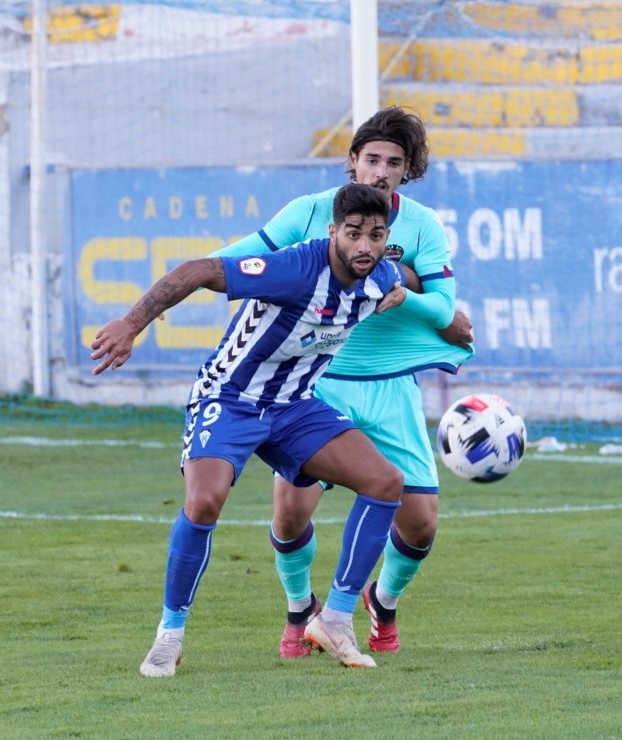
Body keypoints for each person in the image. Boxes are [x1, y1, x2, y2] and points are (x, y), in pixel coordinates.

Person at [91, 184, 422, 674]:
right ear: (333, 232)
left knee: (385, 482)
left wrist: (403, 292)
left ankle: (334, 618)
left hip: (294, 407)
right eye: (353, 235)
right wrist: (132, 322)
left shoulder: (379, 276)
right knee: (203, 502)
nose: (364, 247)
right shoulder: (293, 269)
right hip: (229, 399)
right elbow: (199, 271)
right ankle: (169, 634)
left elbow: (406, 275)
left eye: (375, 236)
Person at [212, 106, 474, 658]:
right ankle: (300, 609)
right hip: (314, 382)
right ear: (352, 162)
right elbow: (240, 256)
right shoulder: (309, 213)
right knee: (290, 510)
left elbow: (446, 308)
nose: (380, 171)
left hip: (391, 385)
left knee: (422, 522)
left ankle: (383, 600)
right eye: (371, 159)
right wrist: (187, 280)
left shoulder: (422, 226)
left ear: (408, 171)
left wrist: (409, 296)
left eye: (393, 163)